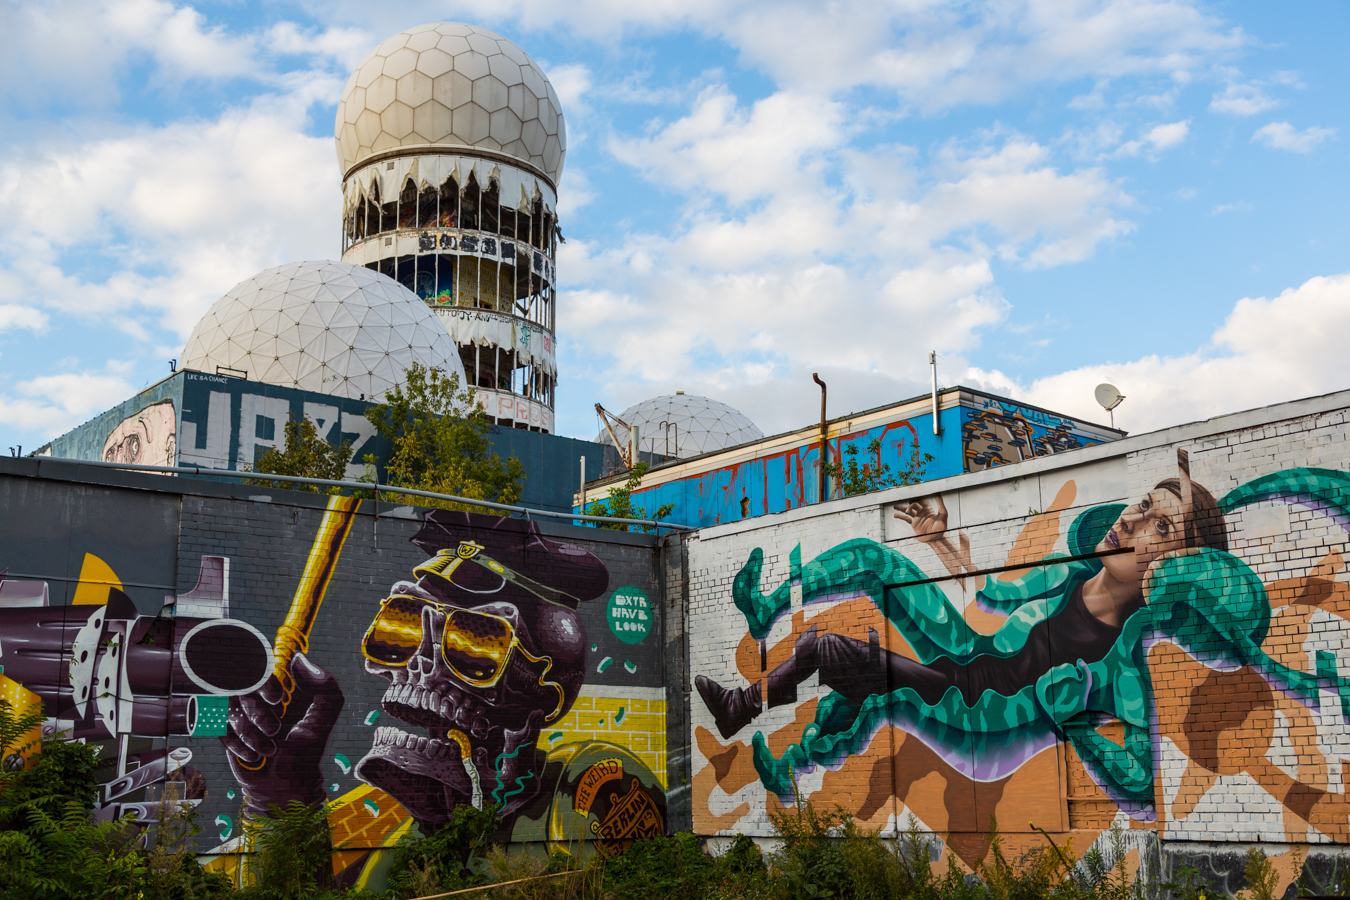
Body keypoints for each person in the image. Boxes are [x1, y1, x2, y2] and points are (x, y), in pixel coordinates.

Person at [695, 450, 1237, 815]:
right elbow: (985, 593)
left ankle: (769, 737)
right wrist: (939, 541)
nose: (1134, 520)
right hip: (962, 656)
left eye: (1162, 528)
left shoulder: (1119, 660)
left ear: (1175, 572)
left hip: (975, 710)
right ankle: (766, 615)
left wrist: (1078, 723)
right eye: (1144, 505)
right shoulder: (1068, 571)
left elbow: (1142, 777)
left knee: (843, 662)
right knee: (871, 559)